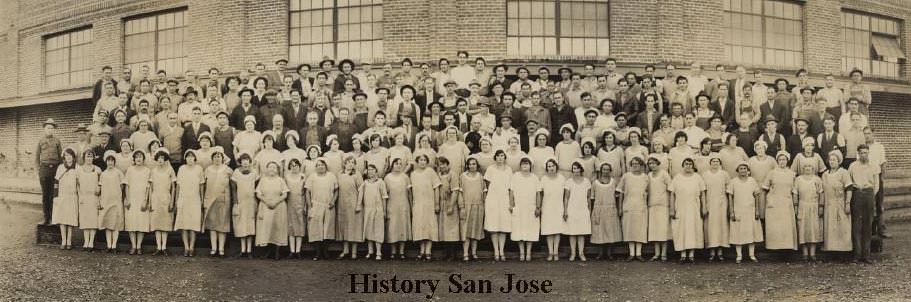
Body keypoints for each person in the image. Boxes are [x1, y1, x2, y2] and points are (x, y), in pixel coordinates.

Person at [670, 158, 705, 263]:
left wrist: (704, 207)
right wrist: (672, 209)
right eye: (686, 164)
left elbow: (703, 193)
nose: (688, 166)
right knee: (681, 230)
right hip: (680, 207)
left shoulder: (697, 177)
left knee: (693, 229)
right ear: (683, 165)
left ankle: (691, 255)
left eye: (690, 164)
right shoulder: (677, 177)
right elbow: (672, 194)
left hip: (694, 207)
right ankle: (683, 254)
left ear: (693, 166)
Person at [762, 152, 798, 253]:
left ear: (787, 161)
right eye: (780, 160)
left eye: (784, 159)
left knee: (786, 227)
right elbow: (765, 188)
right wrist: (769, 201)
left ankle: (787, 250)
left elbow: (794, 190)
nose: (782, 161)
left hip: (787, 202)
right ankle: (775, 251)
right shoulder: (772, 173)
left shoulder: (792, 174)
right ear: (777, 161)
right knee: (776, 227)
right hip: (774, 202)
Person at [727, 161, 763, 263]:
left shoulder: (752, 181)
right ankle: (739, 255)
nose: (743, 170)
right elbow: (730, 196)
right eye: (741, 169)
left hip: (750, 210)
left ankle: (752, 255)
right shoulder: (733, 181)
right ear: (737, 170)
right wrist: (732, 211)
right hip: (738, 210)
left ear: (748, 170)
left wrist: (756, 210)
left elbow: (756, 195)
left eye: (745, 168)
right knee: (738, 232)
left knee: (751, 232)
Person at [849, 144, 879, 264]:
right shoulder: (853, 166)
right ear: (858, 153)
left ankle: (866, 255)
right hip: (857, 194)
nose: (863, 155)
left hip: (869, 193)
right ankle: (857, 254)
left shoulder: (874, 166)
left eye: (866, 152)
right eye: (861, 152)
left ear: (868, 153)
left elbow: (877, 184)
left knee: (868, 223)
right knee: (856, 224)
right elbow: (849, 181)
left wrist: (871, 194)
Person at [509, 157, 542, 262]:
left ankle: (528, 253)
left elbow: (538, 193)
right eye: (523, 164)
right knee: (519, 229)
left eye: (527, 164)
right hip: (519, 206)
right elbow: (511, 192)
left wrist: (538, 207)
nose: (525, 166)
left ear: (530, 166)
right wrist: (511, 205)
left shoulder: (534, 178)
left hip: (531, 207)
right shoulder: (515, 176)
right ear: (520, 165)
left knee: (530, 229)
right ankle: (522, 253)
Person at [255, 161, 289, 260]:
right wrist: (266, 201)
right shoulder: (263, 180)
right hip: (265, 206)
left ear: (277, 170)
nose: (272, 169)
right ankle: (267, 251)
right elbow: (258, 194)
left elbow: (285, 194)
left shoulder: (280, 180)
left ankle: (277, 251)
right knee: (266, 227)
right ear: (267, 169)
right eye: (270, 167)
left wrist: (275, 202)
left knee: (277, 227)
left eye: (274, 167)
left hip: (278, 206)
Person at [305, 159, 338, 260]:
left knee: (327, 229)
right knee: (316, 229)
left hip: (328, 205)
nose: (320, 167)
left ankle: (325, 251)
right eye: (318, 165)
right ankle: (317, 252)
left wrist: (333, 201)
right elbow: (307, 192)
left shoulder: (331, 176)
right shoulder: (312, 177)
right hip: (316, 205)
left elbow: (336, 190)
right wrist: (310, 206)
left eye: (322, 165)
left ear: (326, 166)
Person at [617, 157, 648, 261]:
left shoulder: (645, 177)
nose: (635, 165)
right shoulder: (626, 176)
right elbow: (620, 192)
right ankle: (631, 253)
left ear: (641, 165)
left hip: (640, 206)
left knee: (639, 229)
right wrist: (620, 207)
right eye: (633, 163)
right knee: (629, 229)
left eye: (637, 164)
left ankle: (638, 254)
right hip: (628, 205)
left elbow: (648, 192)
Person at [203, 148, 233, 257]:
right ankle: (214, 248)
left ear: (222, 158)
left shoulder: (228, 170)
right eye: (215, 157)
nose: (217, 159)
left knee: (222, 224)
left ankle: (221, 249)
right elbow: (204, 186)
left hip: (223, 199)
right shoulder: (208, 170)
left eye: (219, 156)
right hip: (210, 199)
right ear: (212, 159)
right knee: (212, 224)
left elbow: (232, 186)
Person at [484, 150, 513, 261]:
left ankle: (502, 251)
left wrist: (510, 202)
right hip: (493, 199)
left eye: (502, 156)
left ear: (505, 158)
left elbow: (511, 187)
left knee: (503, 225)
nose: (500, 158)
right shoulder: (491, 169)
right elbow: (488, 184)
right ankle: (496, 251)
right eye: (498, 156)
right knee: (494, 226)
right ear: (495, 158)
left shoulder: (509, 169)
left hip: (504, 199)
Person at [822, 150, 853, 253]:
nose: (832, 162)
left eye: (834, 160)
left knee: (842, 227)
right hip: (829, 204)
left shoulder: (843, 173)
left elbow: (849, 188)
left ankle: (843, 252)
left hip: (840, 203)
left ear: (839, 161)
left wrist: (847, 203)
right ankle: (832, 251)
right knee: (830, 228)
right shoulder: (825, 174)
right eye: (830, 160)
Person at [148, 148, 176, 256]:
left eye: (162, 158)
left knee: (165, 223)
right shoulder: (153, 170)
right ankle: (158, 247)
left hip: (166, 197)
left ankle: (164, 247)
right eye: (159, 158)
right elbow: (150, 187)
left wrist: (172, 201)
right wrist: (150, 201)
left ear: (165, 160)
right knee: (157, 223)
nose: (160, 160)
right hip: (156, 198)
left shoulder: (170, 170)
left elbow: (173, 187)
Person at [336, 156, 365, 260]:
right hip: (342, 204)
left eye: (352, 162)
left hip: (354, 203)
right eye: (348, 162)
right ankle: (345, 250)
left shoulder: (357, 174)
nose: (350, 164)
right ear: (345, 164)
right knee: (344, 227)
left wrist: (358, 204)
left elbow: (361, 190)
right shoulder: (340, 174)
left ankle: (354, 252)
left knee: (354, 227)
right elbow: (337, 189)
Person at [794, 163, 824, 262]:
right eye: (805, 167)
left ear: (813, 168)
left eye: (810, 167)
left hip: (814, 206)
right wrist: (796, 207)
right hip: (802, 206)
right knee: (803, 229)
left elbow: (821, 193)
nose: (808, 169)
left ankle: (813, 253)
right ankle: (805, 254)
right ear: (803, 169)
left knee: (813, 229)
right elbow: (795, 194)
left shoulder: (817, 179)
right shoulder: (798, 180)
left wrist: (820, 206)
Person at [563, 160, 592, 262]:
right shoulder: (569, 182)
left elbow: (588, 197)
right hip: (572, 209)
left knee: (581, 233)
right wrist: (565, 211)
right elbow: (566, 198)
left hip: (583, 209)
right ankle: (573, 253)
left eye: (577, 168)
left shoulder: (587, 181)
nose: (576, 170)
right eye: (574, 168)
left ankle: (581, 253)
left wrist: (589, 209)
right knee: (572, 233)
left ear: (581, 169)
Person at [124, 150, 151, 255]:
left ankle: (139, 246)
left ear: (143, 159)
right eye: (136, 157)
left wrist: (145, 200)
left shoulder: (147, 170)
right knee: (132, 222)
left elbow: (148, 187)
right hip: (132, 198)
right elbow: (126, 185)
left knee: (141, 222)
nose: (138, 159)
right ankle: (133, 245)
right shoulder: (130, 170)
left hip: (141, 199)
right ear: (134, 159)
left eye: (140, 157)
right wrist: (128, 198)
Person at [231, 153, 258, 259]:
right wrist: (236, 203)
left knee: (250, 225)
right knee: (241, 225)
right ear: (240, 161)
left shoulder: (254, 172)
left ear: (250, 161)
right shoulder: (236, 173)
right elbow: (233, 189)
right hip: (241, 202)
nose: (245, 162)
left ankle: (249, 250)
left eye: (247, 159)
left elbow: (257, 187)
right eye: (243, 160)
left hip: (251, 202)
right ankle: (243, 250)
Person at [703, 157, 730, 261]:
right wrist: (704, 205)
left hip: (722, 203)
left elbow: (728, 190)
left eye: (717, 161)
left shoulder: (724, 174)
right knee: (711, 227)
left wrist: (727, 206)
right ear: (710, 163)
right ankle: (712, 251)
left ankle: (720, 251)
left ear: (720, 163)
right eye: (713, 161)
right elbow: (703, 191)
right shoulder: (705, 175)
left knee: (721, 226)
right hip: (710, 202)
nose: (715, 163)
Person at [384, 158, 412, 259]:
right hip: (392, 205)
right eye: (396, 164)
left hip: (403, 205)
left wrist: (411, 205)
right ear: (392, 165)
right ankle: (393, 252)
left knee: (402, 227)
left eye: (400, 164)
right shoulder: (387, 178)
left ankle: (401, 252)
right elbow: (385, 194)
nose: (399, 166)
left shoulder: (405, 177)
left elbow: (409, 193)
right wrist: (385, 207)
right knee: (393, 227)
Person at [37, 118, 63, 225]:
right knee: (45, 194)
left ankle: (53, 217)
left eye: (52, 128)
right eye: (48, 128)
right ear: (44, 129)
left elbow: (61, 156)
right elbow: (36, 156)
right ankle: (46, 217)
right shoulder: (40, 140)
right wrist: (39, 170)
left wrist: (61, 170)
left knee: (53, 194)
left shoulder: (57, 141)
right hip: (44, 168)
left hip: (55, 169)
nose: (50, 130)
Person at [52, 148, 79, 249]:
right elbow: (56, 182)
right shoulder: (60, 167)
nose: (68, 157)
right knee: (62, 218)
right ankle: (63, 241)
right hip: (62, 195)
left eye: (70, 155)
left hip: (72, 196)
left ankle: (69, 241)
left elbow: (80, 182)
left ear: (73, 157)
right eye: (66, 155)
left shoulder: (77, 168)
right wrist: (55, 197)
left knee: (70, 219)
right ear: (64, 157)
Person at [360, 164, 388, 260]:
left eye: (372, 170)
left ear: (376, 171)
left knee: (378, 229)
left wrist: (384, 211)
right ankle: (370, 251)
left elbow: (384, 197)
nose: (370, 172)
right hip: (368, 209)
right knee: (369, 229)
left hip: (378, 209)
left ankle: (378, 252)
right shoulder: (365, 183)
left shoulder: (380, 182)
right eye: (369, 170)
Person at [98, 151, 125, 252]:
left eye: (112, 160)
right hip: (106, 201)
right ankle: (109, 245)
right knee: (108, 224)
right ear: (106, 162)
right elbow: (101, 188)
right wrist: (101, 200)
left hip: (116, 201)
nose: (110, 163)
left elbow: (122, 186)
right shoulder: (103, 174)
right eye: (108, 161)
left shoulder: (118, 173)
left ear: (114, 162)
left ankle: (114, 246)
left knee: (115, 224)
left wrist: (118, 196)